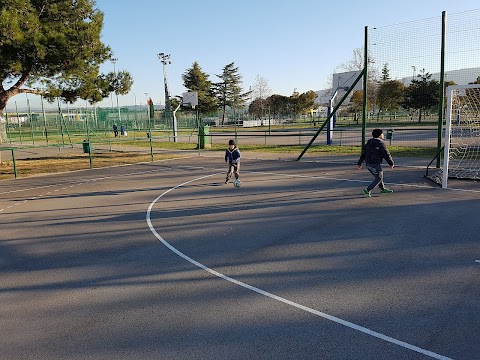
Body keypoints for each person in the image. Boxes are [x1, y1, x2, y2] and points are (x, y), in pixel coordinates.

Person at [357, 128, 394, 197]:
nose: (383, 135)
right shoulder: (380, 143)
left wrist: (359, 163)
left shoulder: (368, 142)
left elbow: (363, 153)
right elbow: (386, 153)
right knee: (379, 177)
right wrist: (391, 163)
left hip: (368, 163)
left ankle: (382, 189)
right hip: (375, 163)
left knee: (378, 177)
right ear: (380, 135)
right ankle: (368, 190)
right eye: (382, 134)